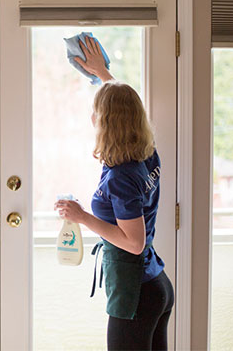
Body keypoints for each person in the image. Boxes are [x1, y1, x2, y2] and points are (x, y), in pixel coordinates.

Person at [54, 36, 174, 351]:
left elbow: (133, 242)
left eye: (96, 112)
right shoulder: (145, 153)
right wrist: (103, 74)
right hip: (156, 285)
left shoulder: (121, 177)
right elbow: (129, 107)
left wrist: (82, 217)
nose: (91, 116)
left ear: (103, 122)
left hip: (137, 294)